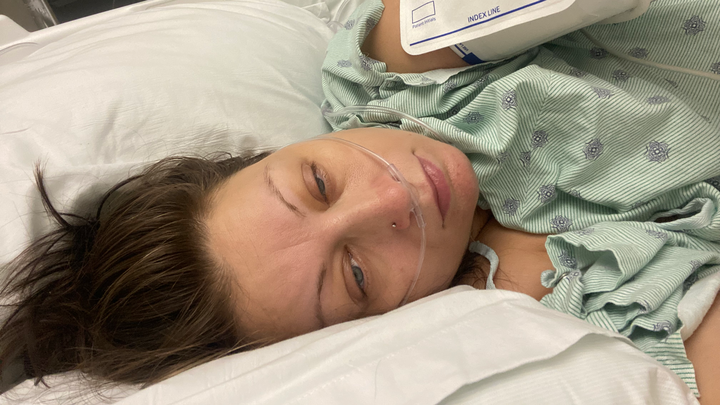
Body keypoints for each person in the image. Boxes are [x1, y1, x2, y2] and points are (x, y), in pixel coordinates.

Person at [2, 0, 719, 403]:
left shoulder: (399, 75)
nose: (389, 197)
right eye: (355, 273)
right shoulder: (584, 310)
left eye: (317, 183)